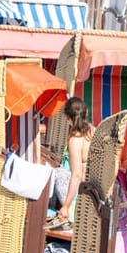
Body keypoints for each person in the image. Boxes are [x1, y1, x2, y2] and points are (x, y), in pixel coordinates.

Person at [48, 96, 93, 234]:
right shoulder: (94, 132)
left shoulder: (76, 139)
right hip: (95, 193)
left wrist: (66, 206)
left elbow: (77, 175)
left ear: (67, 118)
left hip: (80, 196)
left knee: (59, 172)